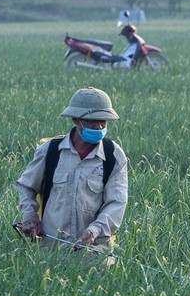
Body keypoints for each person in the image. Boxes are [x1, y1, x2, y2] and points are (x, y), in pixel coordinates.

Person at [14, 88, 129, 253]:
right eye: (91, 120)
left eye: (103, 120)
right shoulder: (50, 151)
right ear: (76, 120)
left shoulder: (113, 155)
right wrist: (30, 218)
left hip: (95, 252)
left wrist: (95, 230)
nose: (99, 126)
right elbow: (26, 186)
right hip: (50, 251)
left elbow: (117, 202)